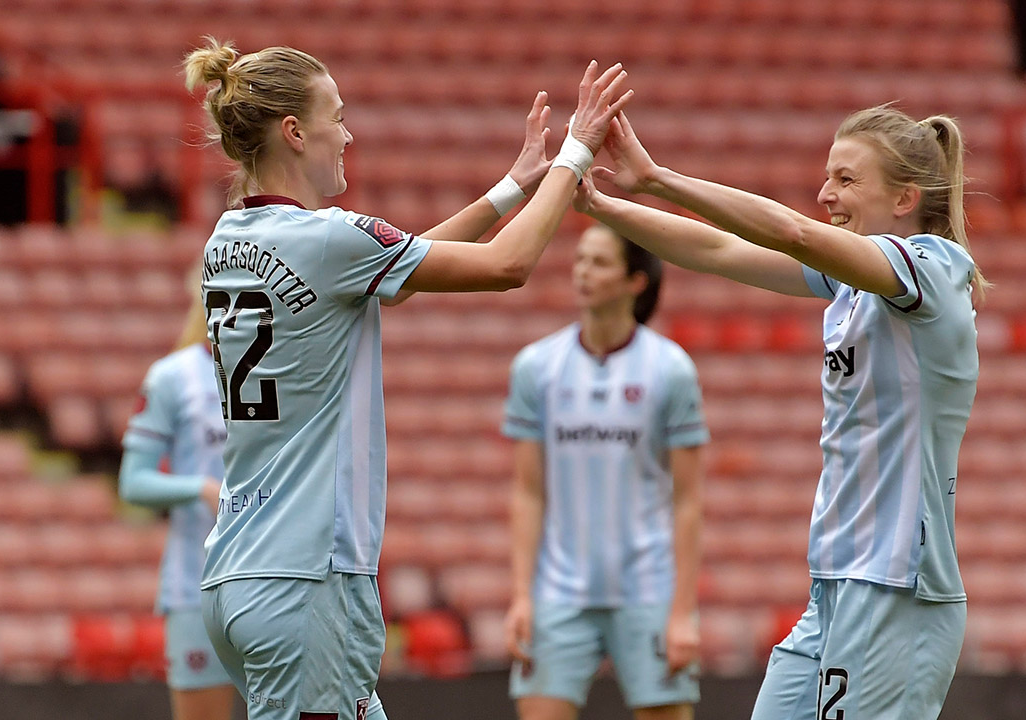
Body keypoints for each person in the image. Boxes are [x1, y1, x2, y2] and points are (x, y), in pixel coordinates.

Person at [182, 35, 631, 720]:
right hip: (307, 578)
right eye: (338, 114)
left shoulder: (228, 240)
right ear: (296, 132)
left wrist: (513, 187)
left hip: (241, 570)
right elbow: (506, 266)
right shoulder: (327, 238)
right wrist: (576, 153)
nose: (348, 131)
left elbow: (393, 269)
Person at [573, 106, 985, 720]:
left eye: (846, 180)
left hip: (896, 585)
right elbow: (717, 249)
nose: (826, 194)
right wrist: (601, 207)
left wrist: (657, 178)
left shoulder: (931, 268)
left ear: (905, 196)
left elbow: (791, 231)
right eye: (828, 177)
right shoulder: (851, 283)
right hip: (837, 580)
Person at [502, 223, 709, 720]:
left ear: (636, 280)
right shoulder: (536, 366)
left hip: (648, 589)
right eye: (579, 261)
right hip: (558, 591)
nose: (582, 273)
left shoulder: (671, 369)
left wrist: (681, 612)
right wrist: (520, 596)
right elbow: (528, 492)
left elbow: (688, 500)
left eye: (598, 262)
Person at [119, 282, 235, 720]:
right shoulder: (173, 375)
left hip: (276, 580)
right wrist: (200, 488)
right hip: (196, 584)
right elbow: (133, 483)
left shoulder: (289, 370)